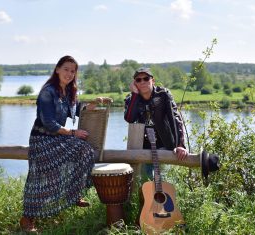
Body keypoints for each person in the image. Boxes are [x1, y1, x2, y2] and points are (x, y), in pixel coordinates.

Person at [20, 55, 109, 232]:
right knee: (41, 177)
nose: (69, 73)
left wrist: (92, 105)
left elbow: (76, 109)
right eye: (66, 69)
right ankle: (27, 219)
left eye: (73, 71)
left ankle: (74, 193)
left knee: (84, 149)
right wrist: (73, 132)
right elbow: (49, 123)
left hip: (56, 137)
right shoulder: (48, 91)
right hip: (42, 138)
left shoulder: (68, 91)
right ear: (57, 69)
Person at [124, 67, 188, 180]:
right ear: (135, 84)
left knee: (165, 181)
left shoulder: (163, 95)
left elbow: (176, 119)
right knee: (145, 181)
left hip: (165, 145)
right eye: (138, 80)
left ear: (152, 81)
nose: (142, 82)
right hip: (144, 148)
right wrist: (134, 94)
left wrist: (180, 145)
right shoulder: (131, 99)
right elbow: (129, 118)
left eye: (146, 78)